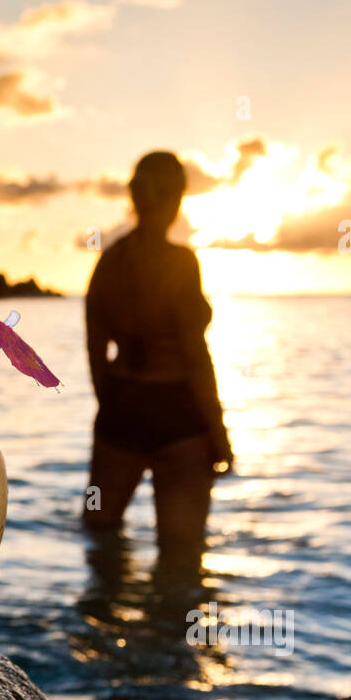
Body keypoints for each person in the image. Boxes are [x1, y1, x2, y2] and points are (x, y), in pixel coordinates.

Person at [84, 151, 233, 569]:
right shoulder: (181, 263)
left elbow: (96, 351)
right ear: (177, 199)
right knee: (181, 556)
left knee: (101, 543)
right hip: (179, 413)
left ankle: (99, 631)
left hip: (121, 409)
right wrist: (218, 430)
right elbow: (196, 355)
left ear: (135, 196)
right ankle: (168, 631)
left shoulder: (108, 264)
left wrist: (110, 407)